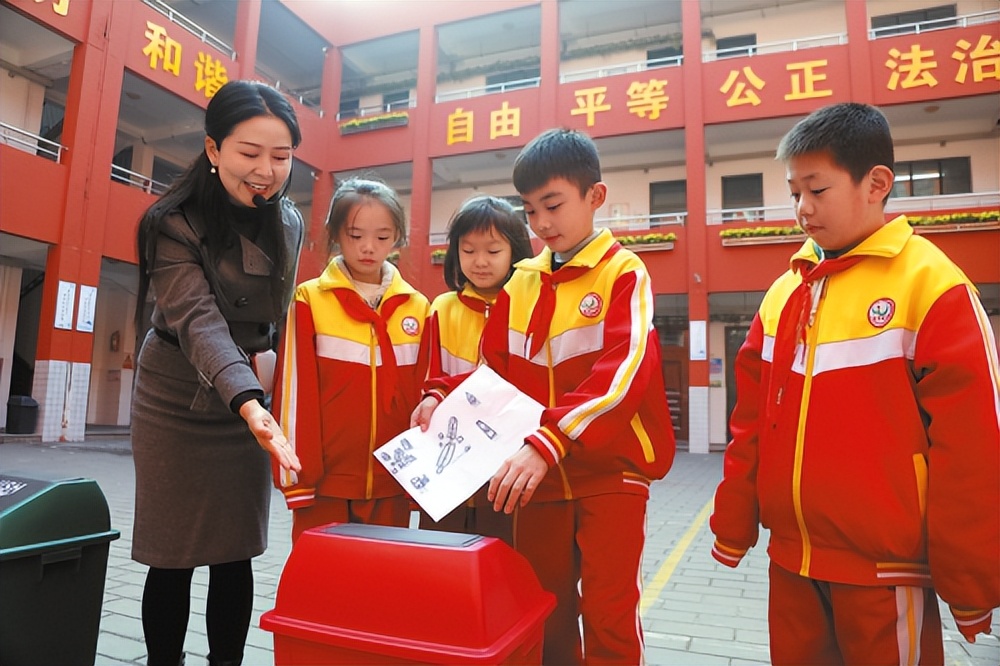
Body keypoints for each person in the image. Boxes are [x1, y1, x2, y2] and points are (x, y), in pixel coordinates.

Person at [710, 102, 1000, 664]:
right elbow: (749, 426)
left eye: (817, 190)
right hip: (789, 563)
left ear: (877, 183)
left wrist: (970, 580)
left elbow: (973, 447)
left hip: (886, 573)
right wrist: (733, 523)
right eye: (794, 191)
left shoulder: (932, 285)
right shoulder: (781, 296)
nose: (801, 208)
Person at [412, 129, 676, 664]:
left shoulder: (625, 273)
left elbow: (622, 374)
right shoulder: (520, 283)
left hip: (610, 475)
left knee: (609, 611)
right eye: (530, 211)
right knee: (546, 608)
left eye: (552, 205)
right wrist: (442, 396)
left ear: (595, 197)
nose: (541, 224)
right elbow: (493, 374)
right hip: (539, 478)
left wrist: (551, 437)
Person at [131, 80, 304, 666]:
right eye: (248, 153)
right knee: (171, 552)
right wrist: (252, 403)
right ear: (213, 150)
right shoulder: (172, 222)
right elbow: (199, 322)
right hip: (178, 396)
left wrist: (273, 380)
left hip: (251, 401)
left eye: (281, 157)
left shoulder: (289, 222)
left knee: (236, 549)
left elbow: (281, 312)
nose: (266, 171)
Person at [272, 177, 430, 542]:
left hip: (393, 480)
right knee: (323, 584)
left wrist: (416, 481)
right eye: (355, 236)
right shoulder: (310, 299)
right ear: (335, 235)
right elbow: (295, 397)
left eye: (382, 236)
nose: (368, 248)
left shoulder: (417, 307)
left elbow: (424, 395)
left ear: (398, 238)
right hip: (327, 485)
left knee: (385, 584)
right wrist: (297, 479)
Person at [415, 194, 534, 545]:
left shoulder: (528, 306)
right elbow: (428, 378)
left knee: (503, 560)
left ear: (515, 252)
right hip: (445, 470)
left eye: (493, 251)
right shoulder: (442, 308)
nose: (480, 261)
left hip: (507, 469)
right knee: (439, 563)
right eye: (468, 251)